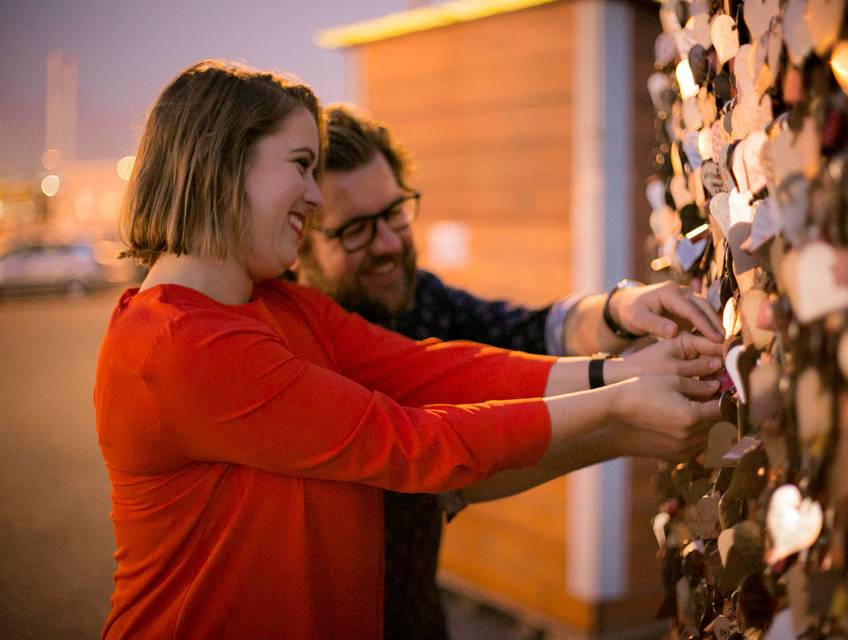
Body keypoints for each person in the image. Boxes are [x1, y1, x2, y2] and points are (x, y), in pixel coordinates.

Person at [94, 60, 722, 639]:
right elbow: (410, 440)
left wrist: (616, 372)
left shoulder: (282, 306)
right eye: (301, 165)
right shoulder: (180, 346)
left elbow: (432, 369)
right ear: (223, 162)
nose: (314, 200)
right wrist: (618, 406)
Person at [295, 104, 726, 638]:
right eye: (356, 231)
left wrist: (621, 308)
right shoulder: (301, 357)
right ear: (299, 246)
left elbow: (526, 333)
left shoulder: (416, 298)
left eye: (395, 214)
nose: (387, 243)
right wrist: (624, 414)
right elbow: (439, 478)